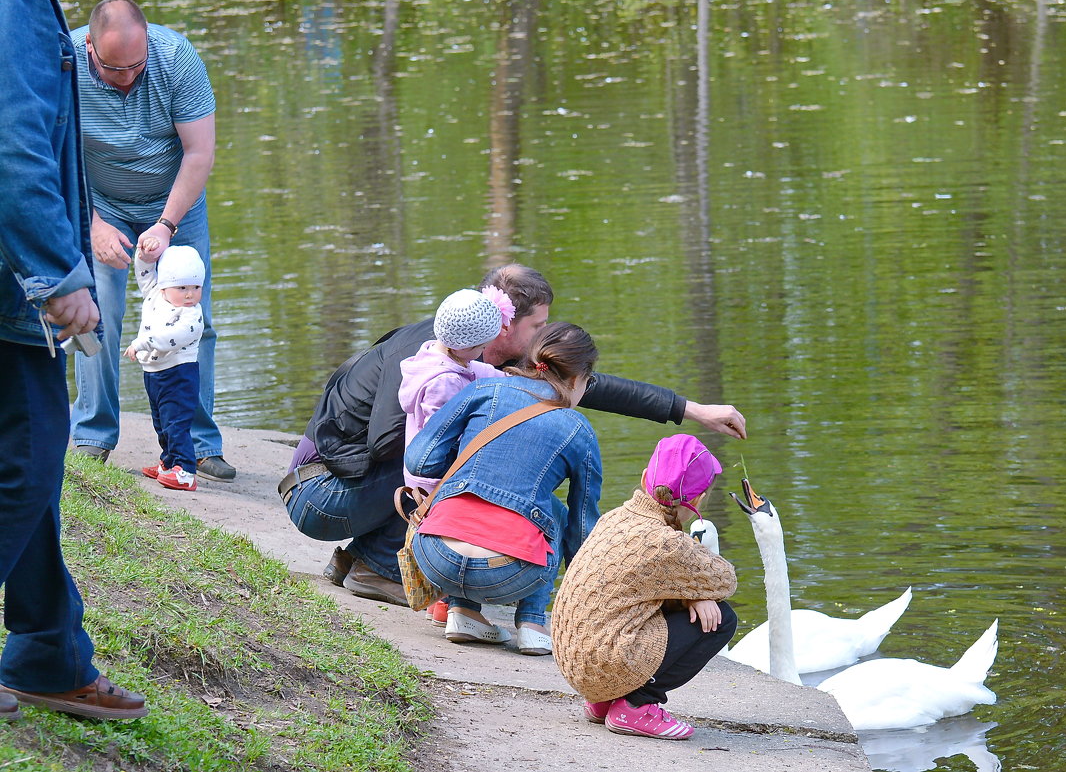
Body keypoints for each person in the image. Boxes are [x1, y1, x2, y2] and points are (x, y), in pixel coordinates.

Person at [280, 264, 747, 607]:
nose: (544, 336)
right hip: (319, 491)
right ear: (506, 324)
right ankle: (378, 567)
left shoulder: (470, 355)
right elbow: (388, 445)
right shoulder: (428, 358)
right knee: (462, 464)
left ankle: (365, 558)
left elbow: (577, 385)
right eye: (539, 326)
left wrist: (692, 410)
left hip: (352, 487)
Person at [0, 0, 147, 721]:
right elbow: (14, 145)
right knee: (28, 460)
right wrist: (56, 273)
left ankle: (46, 654)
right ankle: (44, 652)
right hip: (12, 283)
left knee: (28, 464)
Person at [68, 0, 235, 482]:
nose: (127, 77)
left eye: (136, 65)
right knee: (96, 314)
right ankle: (92, 436)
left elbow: (199, 153)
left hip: (175, 203)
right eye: (115, 68)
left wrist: (165, 224)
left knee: (193, 319)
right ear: (90, 47)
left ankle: (200, 444)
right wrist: (92, 222)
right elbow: (53, 153)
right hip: (101, 204)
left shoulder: (175, 57)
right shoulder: (65, 63)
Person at [405, 322, 601, 655]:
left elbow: (419, 462)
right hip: (508, 574)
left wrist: (470, 473)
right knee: (556, 510)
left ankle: (463, 612)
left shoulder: (484, 390)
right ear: (575, 379)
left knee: (471, 499)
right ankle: (533, 623)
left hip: (434, 557)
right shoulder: (577, 429)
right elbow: (582, 531)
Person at [551, 434, 738, 740]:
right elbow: (724, 578)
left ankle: (605, 701)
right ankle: (637, 705)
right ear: (700, 500)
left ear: (643, 478)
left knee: (645, 604)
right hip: (605, 665)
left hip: (575, 664)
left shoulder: (614, 518)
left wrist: (690, 593)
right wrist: (697, 593)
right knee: (722, 618)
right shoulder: (667, 542)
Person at [398, 286, 511, 493]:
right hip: (434, 481)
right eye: (482, 347)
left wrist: (512, 380)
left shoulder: (435, 355)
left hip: (432, 474)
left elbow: (480, 371)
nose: (483, 352)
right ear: (463, 347)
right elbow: (441, 435)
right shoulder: (445, 381)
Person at [123, 242, 206, 492]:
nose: (189, 294)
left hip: (179, 373)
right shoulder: (154, 294)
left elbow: (172, 337)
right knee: (160, 422)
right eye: (182, 287)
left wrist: (141, 343)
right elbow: (145, 272)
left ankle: (186, 471)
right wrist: (144, 255)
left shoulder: (192, 317)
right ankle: (168, 463)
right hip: (154, 373)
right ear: (165, 285)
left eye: (196, 287)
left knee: (176, 422)